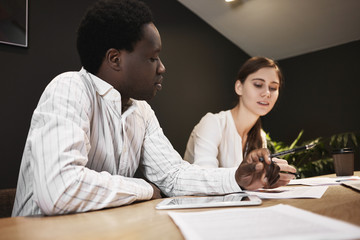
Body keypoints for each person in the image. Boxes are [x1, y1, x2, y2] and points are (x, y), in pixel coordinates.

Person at [12, 0, 280, 217]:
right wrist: (145, 188)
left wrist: (236, 178)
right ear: (115, 59)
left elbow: (173, 175)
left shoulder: (141, 110)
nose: (162, 67)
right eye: (152, 58)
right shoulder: (69, 87)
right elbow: (60, 191)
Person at [184, 57, 296, 186]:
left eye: (273, 88)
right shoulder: (213, 123)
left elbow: (251, 186)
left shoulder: (260, 136)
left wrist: (266, 180)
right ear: (239, 87)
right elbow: (205, 180)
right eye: (258, 85)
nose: (266, 93)